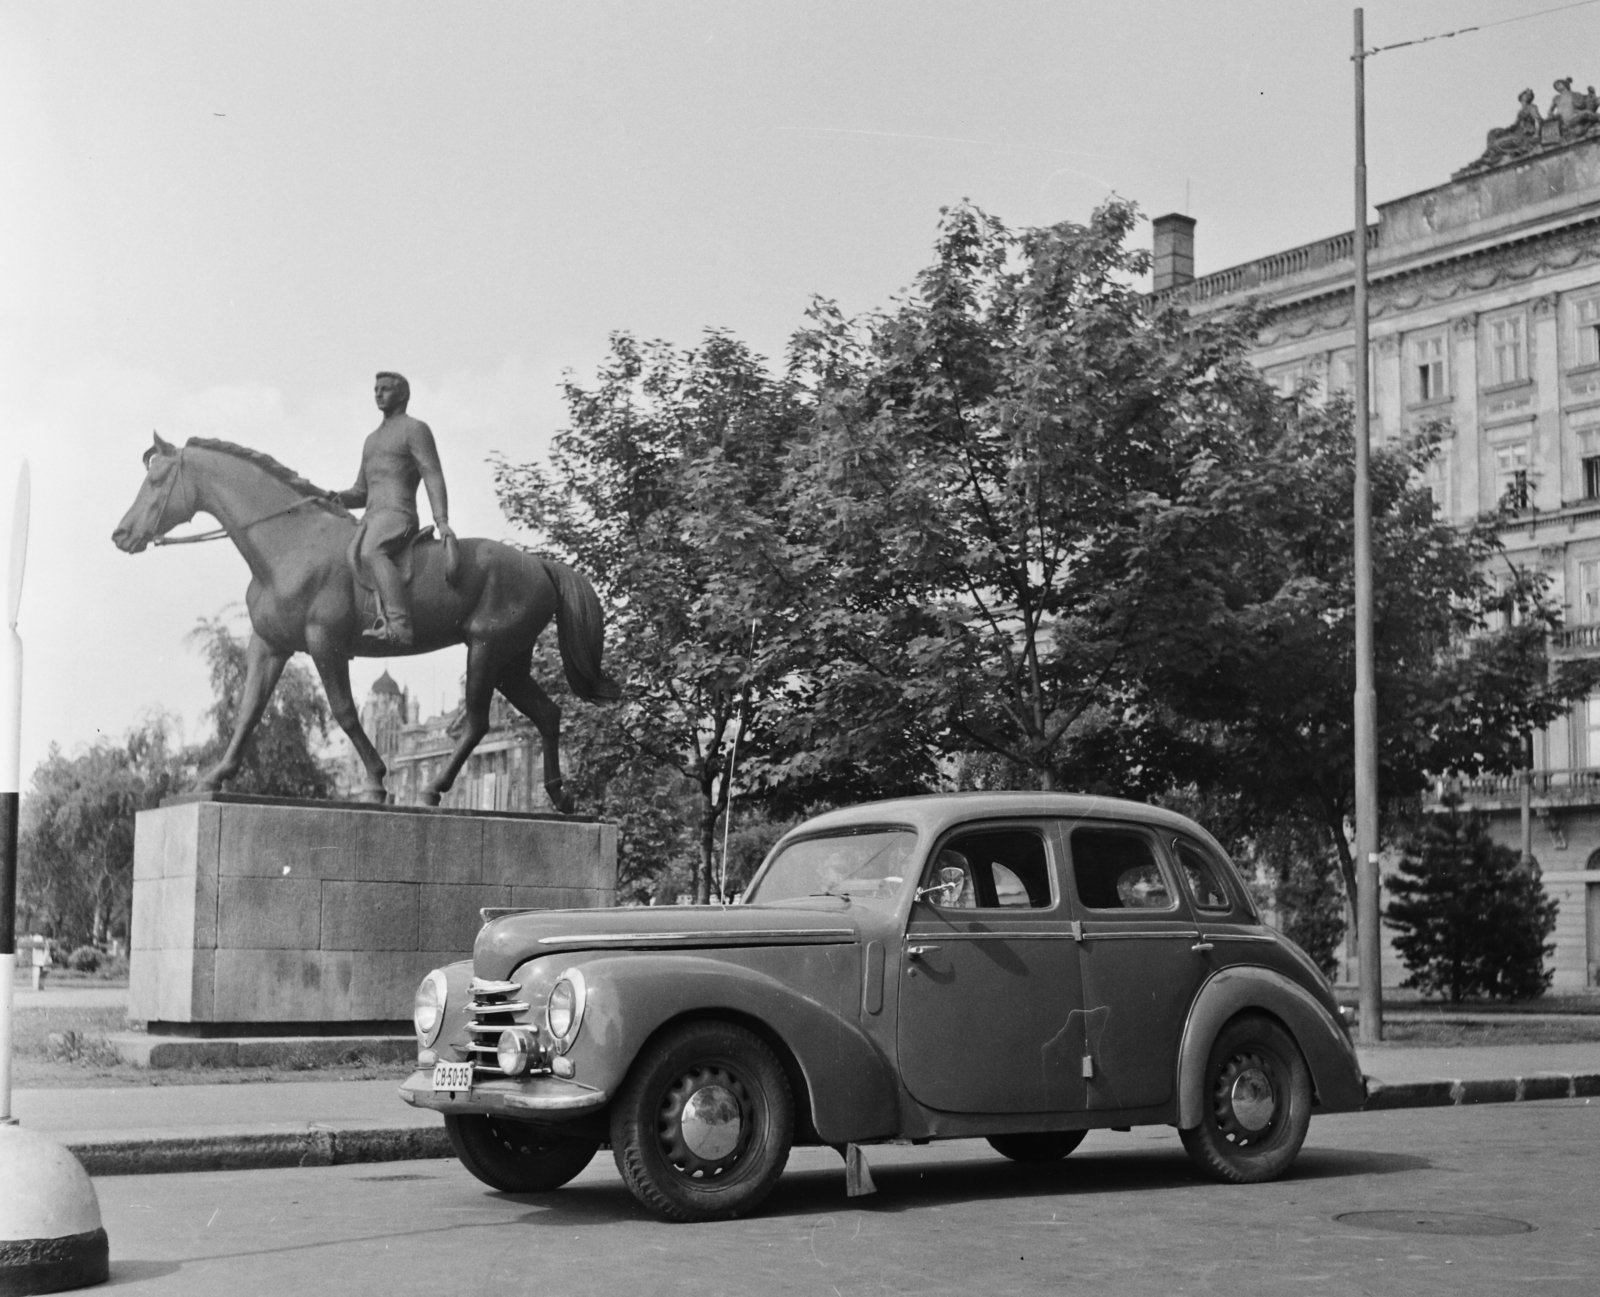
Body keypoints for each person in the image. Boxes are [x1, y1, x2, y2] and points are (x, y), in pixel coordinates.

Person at [332, 372, 454, 645]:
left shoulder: (415, 429)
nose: (378, 394)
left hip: (399, 516)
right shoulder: (371, 440)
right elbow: (361, 491)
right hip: (371, 517)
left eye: (385, 389)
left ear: (401, 395)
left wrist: (442, 519)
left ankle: (400, 625)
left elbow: (432, 474)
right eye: (375, 389)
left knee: (372, 550)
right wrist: (334, 497)